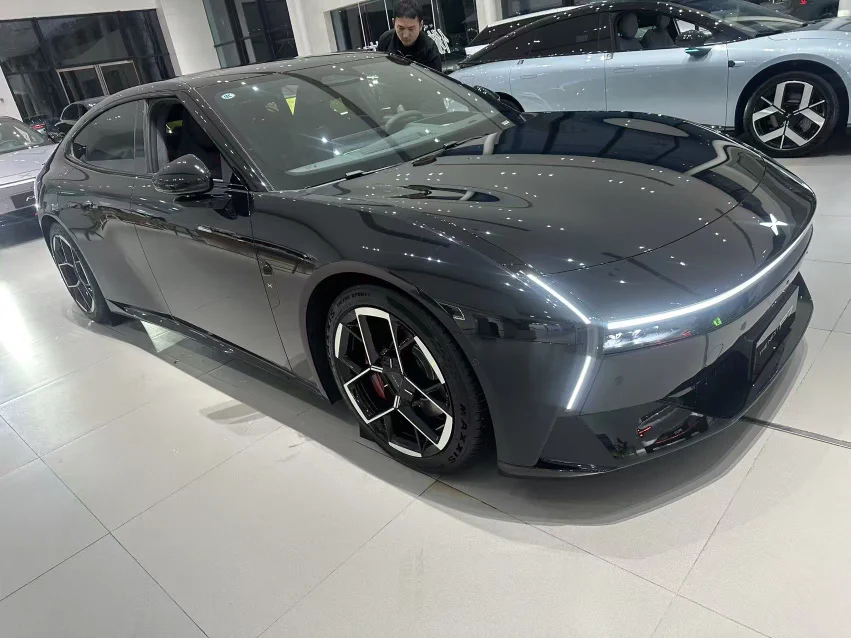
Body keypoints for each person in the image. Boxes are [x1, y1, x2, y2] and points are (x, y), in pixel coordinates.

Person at [377, 0, 442, 73]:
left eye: (411, 29)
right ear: (393, 22)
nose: (405, 35)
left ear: (421, 25)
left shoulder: (429, 49)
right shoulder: (385, 40)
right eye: (401, 28)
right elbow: (379, 71)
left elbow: (436, 79)